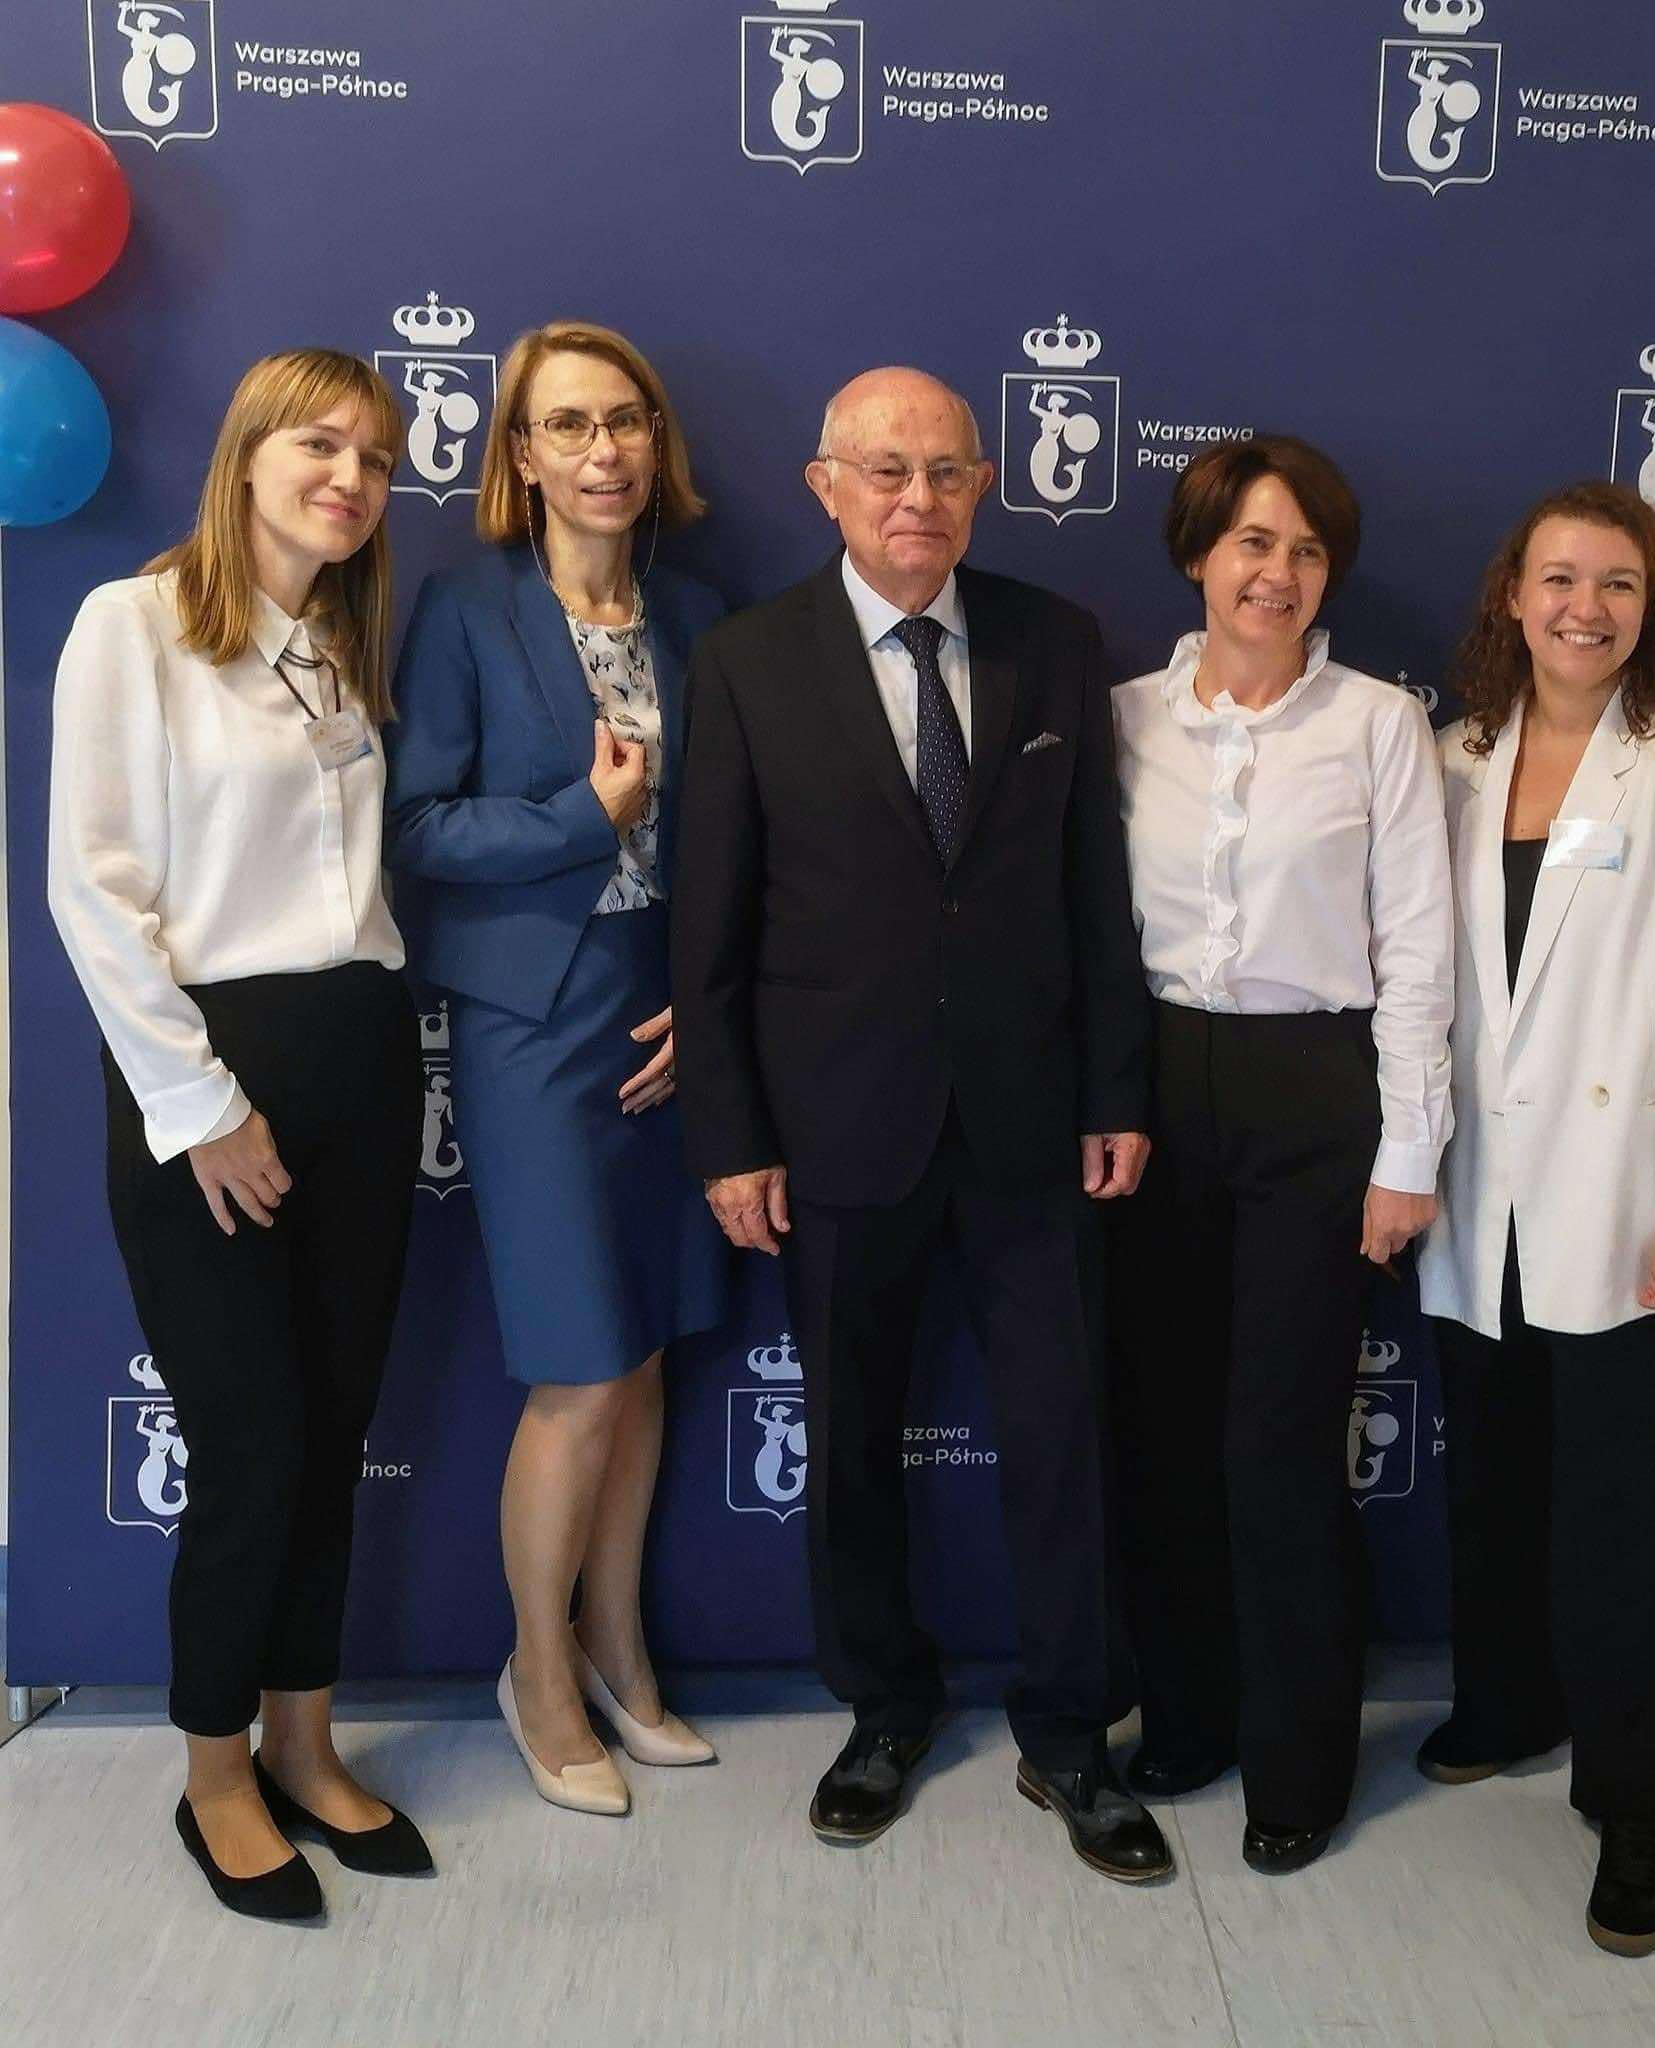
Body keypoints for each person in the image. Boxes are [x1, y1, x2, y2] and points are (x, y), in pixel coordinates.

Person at [673, 367, 1171, 1884]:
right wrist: (730, 1134)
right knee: (847, 1438)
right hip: (835, 1127)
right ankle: (882, 1709)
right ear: (825, 486)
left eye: (947, 471)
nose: (917, 499)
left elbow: (1097, 890)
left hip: (1034, 1123)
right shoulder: (748, 660)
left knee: (1066, 1438)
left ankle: (1072, 1733)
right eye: (885, 471)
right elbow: (710, 923)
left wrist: (1115, 1090)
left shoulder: (1053, 640)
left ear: (983, 487)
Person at [48, 349, 428, 1920]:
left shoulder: (337, 648)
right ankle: (215, 1774)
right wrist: (202, 1109)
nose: (350, 477)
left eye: (377, 457)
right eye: (319, 444)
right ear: (248, 453)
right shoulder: (132, 624)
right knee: (253, 1440)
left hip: (361, 1056)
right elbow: (93, 888)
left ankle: (305, 1744)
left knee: (332, 1429)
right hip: (213, 1069)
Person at [1415, 480, 1655, 1957]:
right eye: (1561, 580)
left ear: (1652, 609)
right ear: (1514, 598)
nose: (1586, 608)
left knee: (1639, 1523)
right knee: (1501, 1483)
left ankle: (1638, 1812)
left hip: (1643, 1204)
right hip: (1489, 1204)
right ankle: (1513, 1705)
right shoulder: (1456, 754)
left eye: (1618, 585)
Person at [385, 321, 727, 1816]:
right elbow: (418, 828)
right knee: (580, 1367)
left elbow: (744, 839)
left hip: (666, 1014)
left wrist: (713, 1003)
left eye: (625, 421)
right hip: (532, 1022)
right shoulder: (467, 609)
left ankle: (616, 1647)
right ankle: (533, 1673)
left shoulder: (700, 617)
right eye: (569, 425)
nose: (604, 451)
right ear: (520, 454)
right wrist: (585, 819)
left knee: (644, 1356)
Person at [1106, 437, 1454, 1873]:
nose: (1279, 574)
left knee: (1278, 1441)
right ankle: (1188, 1715)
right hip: (1154, 1090)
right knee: (1165, 1430)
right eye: (1253, 543)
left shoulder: (1380, 724)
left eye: (1308, 551)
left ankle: (1299, 1756)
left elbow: (1418, 950)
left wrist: (1408, 1150)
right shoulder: (1124, 717)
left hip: (1316, 1092)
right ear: (1199, 553)